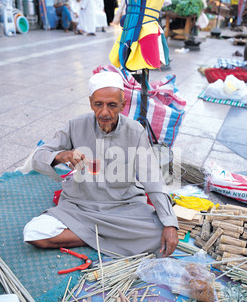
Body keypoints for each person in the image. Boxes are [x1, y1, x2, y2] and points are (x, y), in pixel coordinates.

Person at [23, 71, 179, 258]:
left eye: (112, 105)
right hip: (79, 206)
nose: (104, 112)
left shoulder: (135, 131)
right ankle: (106, 238)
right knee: (34, 233)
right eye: (98, 104)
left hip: (123, 207)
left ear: (123, 104)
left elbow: (152, 178)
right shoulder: (75, 125)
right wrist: (61, 155)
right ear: (91, 103)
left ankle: (87, 235)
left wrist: (170, 224)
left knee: (159, 234)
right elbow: (38, 157)